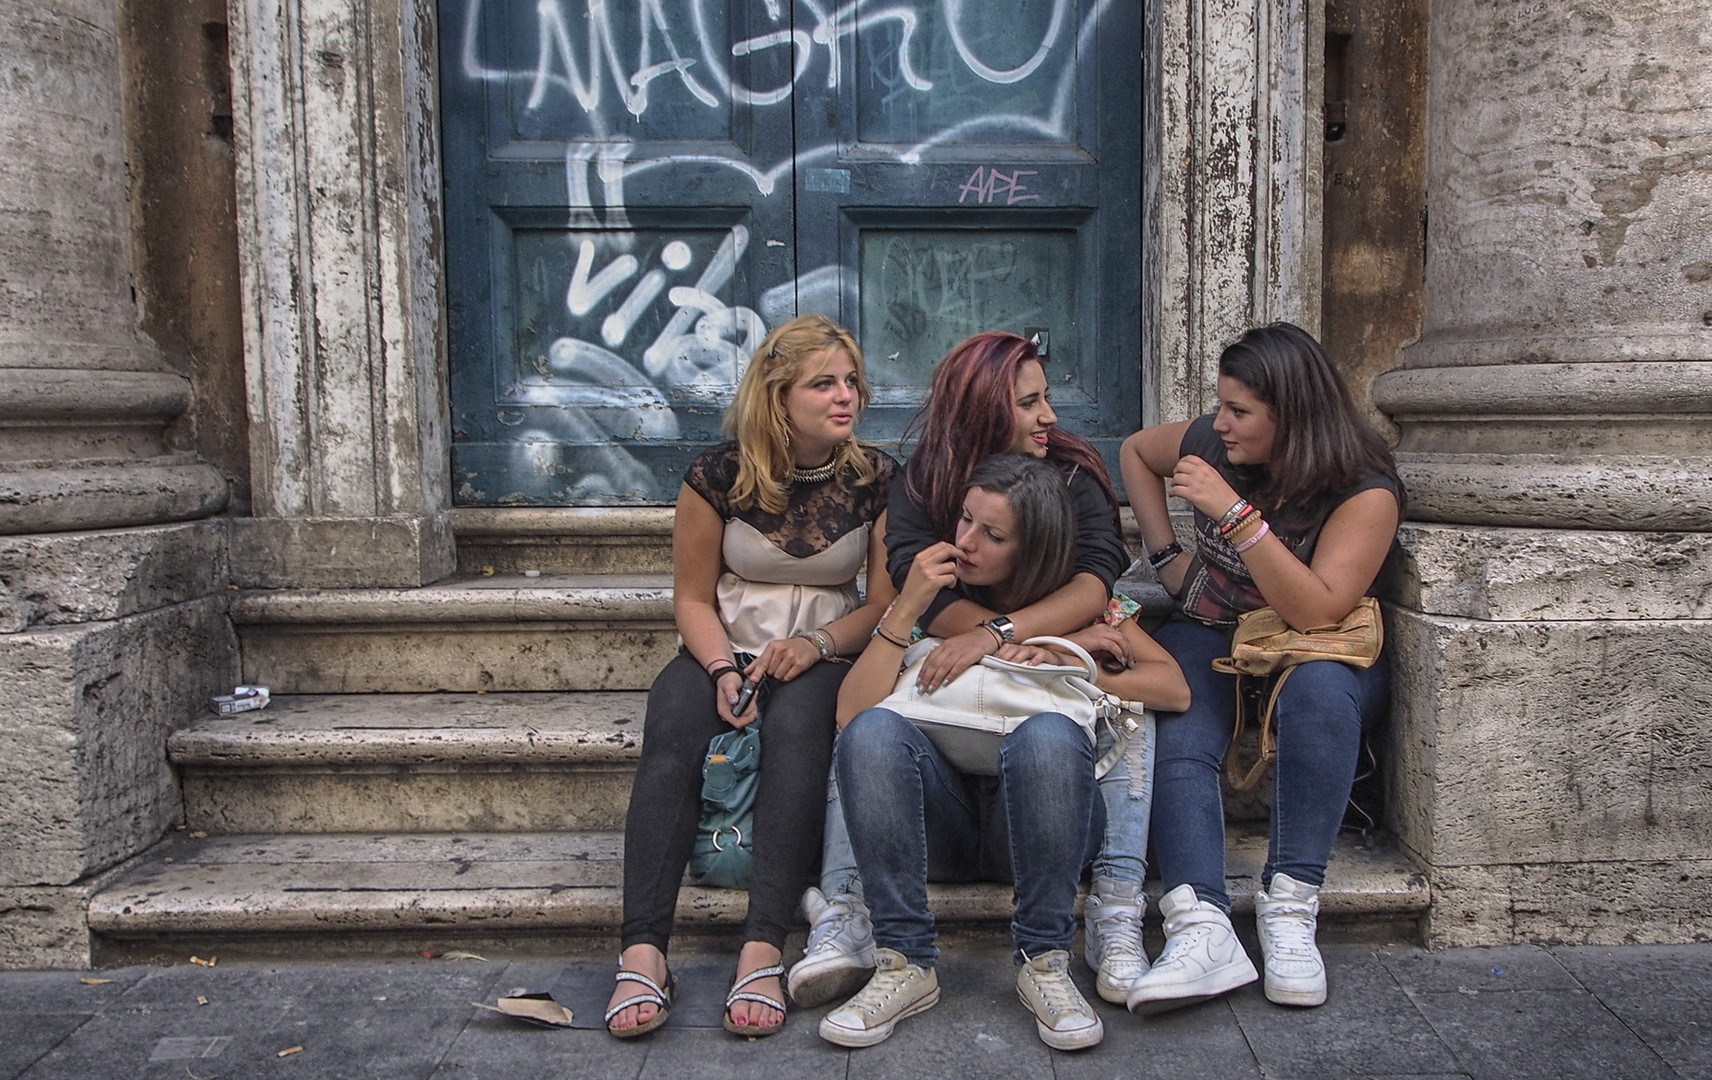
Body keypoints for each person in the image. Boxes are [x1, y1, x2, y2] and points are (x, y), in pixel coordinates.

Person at [788, 331, 1145, 1007]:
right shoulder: (926, 484)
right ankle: (887, 947)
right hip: (942, 792)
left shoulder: (1072, 475)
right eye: (1030, 403)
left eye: (1048, 399)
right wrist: (921, 618)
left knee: (1049, 737)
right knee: (867, 733)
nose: (1050, 418)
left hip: (1046, 783)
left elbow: (1098, 583)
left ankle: (1064, 951)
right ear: (985, 411)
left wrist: (1003, 635)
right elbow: (914, 590)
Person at [817, 453, 1190, 1050]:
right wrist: (907, 609)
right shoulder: (935, 599)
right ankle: (905, 961)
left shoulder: (1087, 606)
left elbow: (1173, 688)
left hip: (1047, 830)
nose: (965, 542)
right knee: (872, 733)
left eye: (992, 535)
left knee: (1047, 734)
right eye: (964, 520)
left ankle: (1044, 961)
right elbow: (850, 716)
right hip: (940, 826)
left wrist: (1070, 662)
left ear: (1033, 547)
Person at [604, 315, 898, 1039]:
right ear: (777, 396)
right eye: (824, 383)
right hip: (723, 644)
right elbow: (692, 599)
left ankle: (762, 944)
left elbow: (889, 607)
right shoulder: (716, 474)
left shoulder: (878, 478)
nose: (846, 397)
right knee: (672, 728)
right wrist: (718, 669)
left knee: (801, 730)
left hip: (824, 653)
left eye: (852, 381)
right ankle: (644, 949)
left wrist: (820, 642)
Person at [1118, 322, 1403, 1012]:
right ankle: (1200, 923)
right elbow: (1133, 451)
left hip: (1316, 647)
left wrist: (1237, 516)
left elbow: (1317, 610)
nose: (1221, 423)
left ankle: (1290, 906)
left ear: (1294, 413)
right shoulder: (1214, 444)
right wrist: (1165, 557)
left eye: (1239, 410)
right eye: (1221, 405)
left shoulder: (1363, 490)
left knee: (1322, 698)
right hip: (1214, 624)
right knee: (1179, 717)